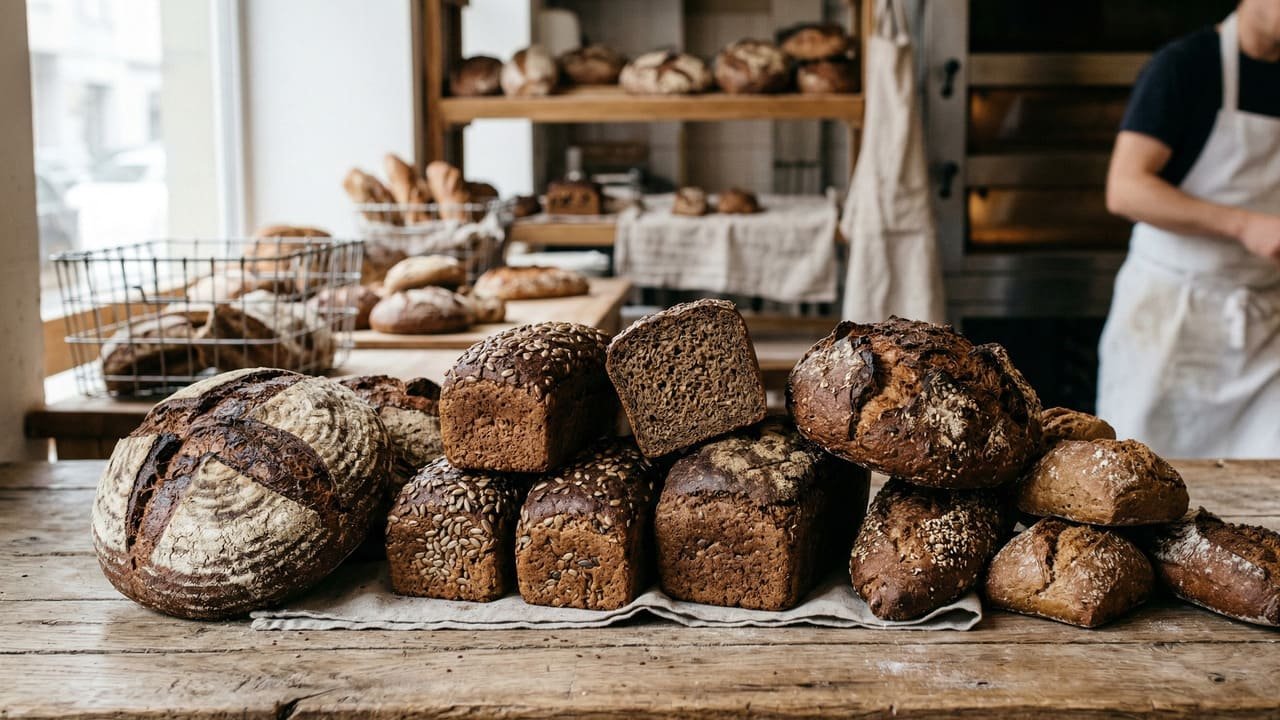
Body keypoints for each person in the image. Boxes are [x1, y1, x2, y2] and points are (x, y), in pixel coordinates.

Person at [1099, 0, 1280, 458]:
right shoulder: (1184, 67)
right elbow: (1125, 187)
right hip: (1172, 321)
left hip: (1265, 325)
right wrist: (1243, 225)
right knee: (1146, 485)